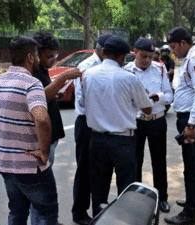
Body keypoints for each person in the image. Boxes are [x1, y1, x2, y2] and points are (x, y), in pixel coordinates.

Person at [0, 36, 71, 224]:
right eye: (37, 55)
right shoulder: (31, 84)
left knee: (17, 213)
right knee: (47, 213)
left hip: (6, 163)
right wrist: (44, 152)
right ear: (30, 57)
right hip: (30, 166)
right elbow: (42, 119)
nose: (38, 59)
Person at [79, 35, 153, 217]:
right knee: (126, 188)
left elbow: (82, 103)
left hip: (96, 139)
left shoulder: (88, 75)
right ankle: (123, 221)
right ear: (123, 57)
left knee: (98, 187)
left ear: (103, 52)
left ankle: (99, 218)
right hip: (122, 142)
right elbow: (147, 108)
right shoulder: (129, 78)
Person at [32, 31, 81, 225]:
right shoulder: (32, 72)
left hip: (51, 138)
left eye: (55, 56)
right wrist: (63, 78)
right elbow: (38, 97)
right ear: (35, 54)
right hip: (41, 140)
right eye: (49, 56)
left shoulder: (41, 70)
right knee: (42, 190)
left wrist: (56, 94)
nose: (53, 60)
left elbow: (44, 95)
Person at [164, 27, 195, 225]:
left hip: (191, 120)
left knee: (191, 167)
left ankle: (189, 214)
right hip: (188, 118)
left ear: (184, 43)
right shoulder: (190, 59)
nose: (173, 51)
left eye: (174, 47)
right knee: (193, 163)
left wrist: (191, 124)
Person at [124, 37, 173, 213]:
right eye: (143, 55)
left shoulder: (160, 70)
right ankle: (134, 199)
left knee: (159, 161)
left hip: (157, 121)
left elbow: (170, 95)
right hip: (136, 122)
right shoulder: (127, 71)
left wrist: (156, 96)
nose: (146, 60)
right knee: (134, 162)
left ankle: (162, 198)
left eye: (150, 56)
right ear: (135, 52)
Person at [71, 33, 113, 225]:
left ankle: (99, 210)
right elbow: (83, 100)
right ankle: (79, 212)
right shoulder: (87, 67)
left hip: (102, 123)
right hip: (87, 123)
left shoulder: (108, 65)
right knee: (85, 169)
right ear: (103, 51)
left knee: (101, 170)